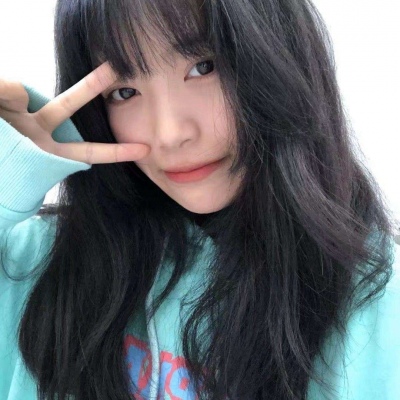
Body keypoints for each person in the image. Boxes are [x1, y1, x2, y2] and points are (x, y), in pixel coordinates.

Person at [0, 0, 399, 399]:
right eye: (124, 91)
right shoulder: (38, 262)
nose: (170, 133)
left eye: (204, 67)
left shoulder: (377, 306)